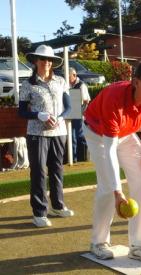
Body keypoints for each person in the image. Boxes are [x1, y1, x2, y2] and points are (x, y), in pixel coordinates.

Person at [83, 60, 141, 265]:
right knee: (106, 186)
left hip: (126, 133)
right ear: (136, 82)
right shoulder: (115, 99)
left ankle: (140, 245)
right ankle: (99, 242)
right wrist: (118, 192)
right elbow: (110, 149)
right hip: (98, 134)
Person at [18, 45, 74, 228]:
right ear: (35, 61)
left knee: (57, 169)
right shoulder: (28, 85)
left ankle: (57, 206)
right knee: (39, 172)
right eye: (43, 59)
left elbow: (68, 107)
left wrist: (60, 117)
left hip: (59, 132)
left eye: (50, 60)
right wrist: (38, 115)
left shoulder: (60, 81)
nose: (47, 63)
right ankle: (39, 212)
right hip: (37, 133)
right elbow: (21, 112)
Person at [69, 67, 90, 163]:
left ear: (74, 75)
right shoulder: (68, 85)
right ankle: (74, 159)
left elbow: (86, 101)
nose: (67, 79)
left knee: (80, 137)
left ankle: (84, 157)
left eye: (69, 77)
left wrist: (82, 114)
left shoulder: (82, 85)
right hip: (71, 114)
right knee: (72, 137)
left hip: (79, 115)